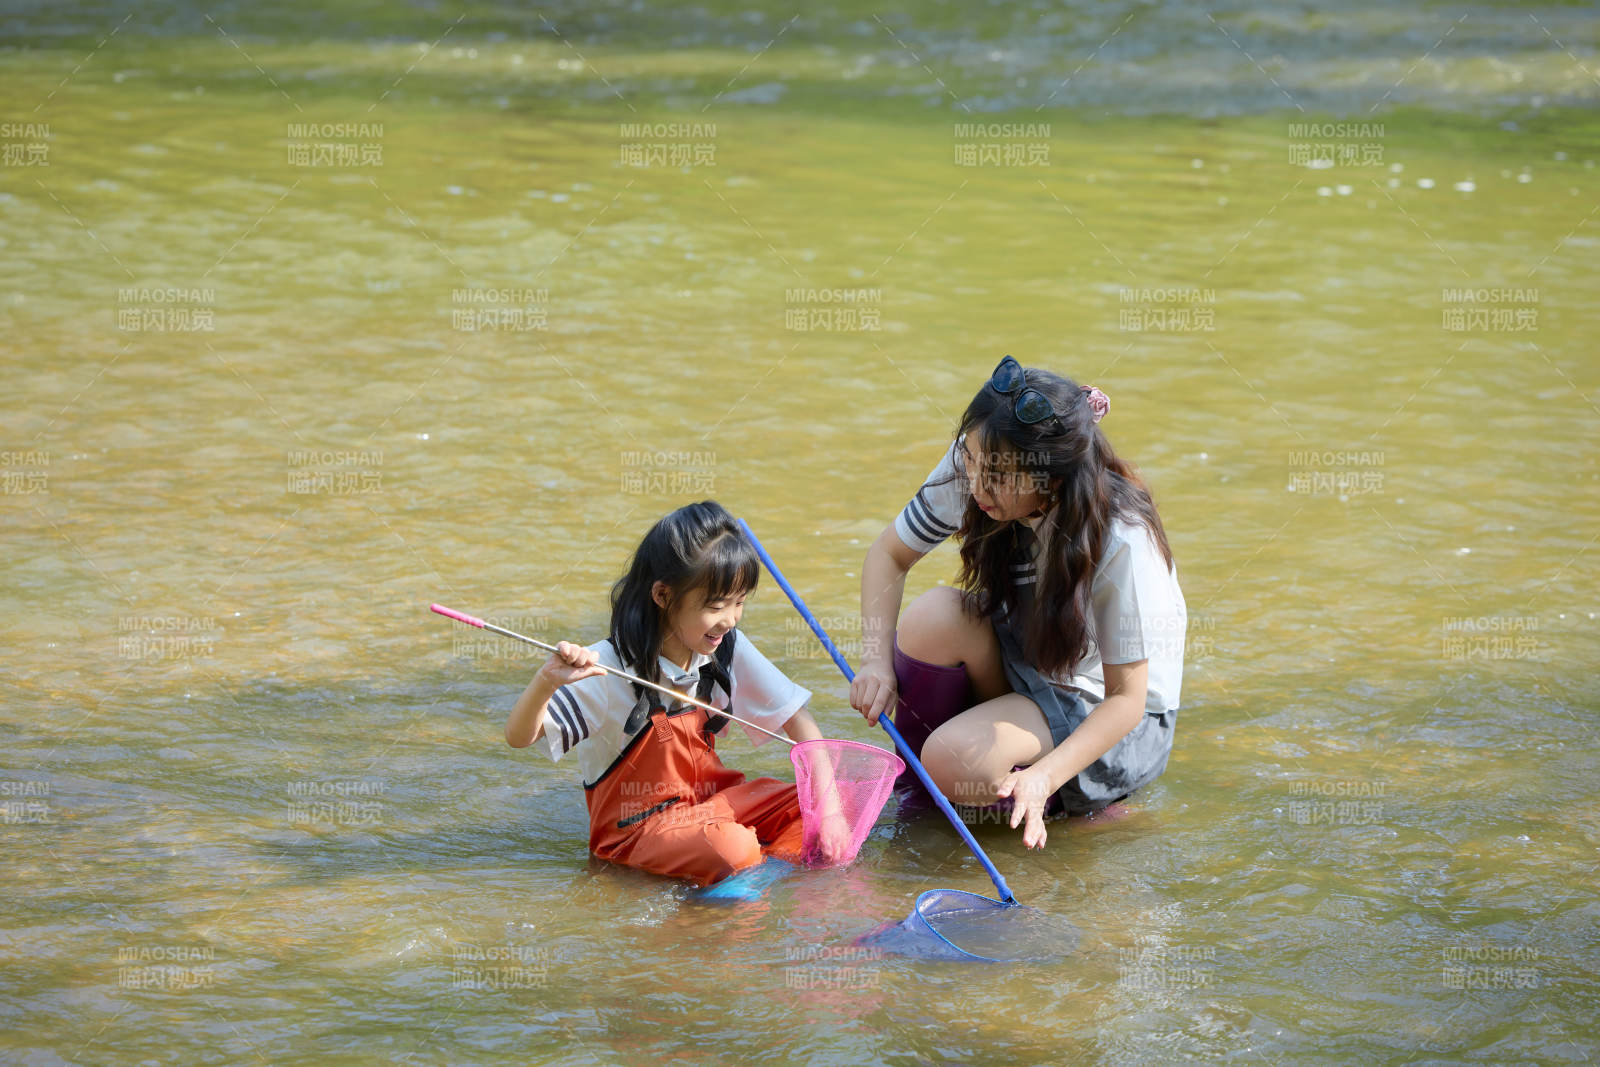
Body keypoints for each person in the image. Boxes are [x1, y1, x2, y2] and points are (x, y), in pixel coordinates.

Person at [850, 355, 1187, 849]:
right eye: (970, 462)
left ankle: (1071, 805)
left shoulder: (1122, 540)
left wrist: (1044, 776)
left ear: (1051, 479)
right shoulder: (980, 456)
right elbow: (888, 555)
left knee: (953, 759)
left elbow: (1127, 700)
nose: (977, 487)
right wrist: (875, 662)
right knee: (930, 619)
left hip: (1104, 706)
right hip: (1033, 653)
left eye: (999, 478)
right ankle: (926, 796)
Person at [506, 500, 848, 886]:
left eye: (739, 604)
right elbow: (519, 738)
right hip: (639, 832)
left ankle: (757, 878)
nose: (730, 620)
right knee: (735, 849)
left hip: (713, 807)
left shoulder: (725, 645)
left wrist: (831, 814)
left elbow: (803, 727)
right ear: (663, 595)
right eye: (716, 605)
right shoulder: (606, 664)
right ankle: (748, 874)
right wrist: (547, 680)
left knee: (829, 802)